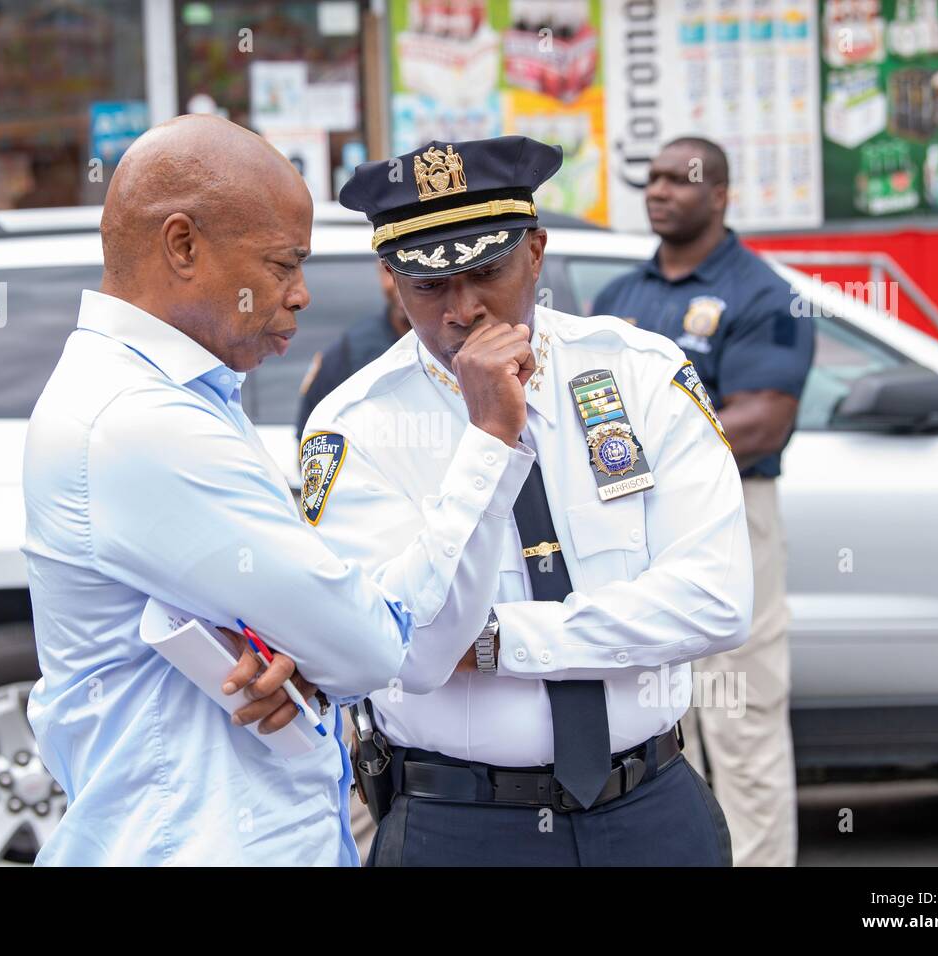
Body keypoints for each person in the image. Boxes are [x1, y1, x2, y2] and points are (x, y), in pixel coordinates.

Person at [21, 115, 534, 865]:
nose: (299, 295)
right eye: (283, 264)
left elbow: (312, 634)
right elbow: (371, 647)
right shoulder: (141, 421)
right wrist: (488, 439)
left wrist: (301, 651)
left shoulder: (163, 396)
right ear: (183, 244)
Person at [302, 135, 753, 866]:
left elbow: (717, 598)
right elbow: (411, 649)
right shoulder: (356, 424)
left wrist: (497, 644)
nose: (464, 310)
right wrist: (488, 439)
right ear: (390, 278)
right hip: (464, 823)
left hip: (649, 805)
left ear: (536, 253)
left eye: (487, 272)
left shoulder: (638, 372)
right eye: (428, 285)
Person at [590, 136, 815, 867]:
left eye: (677, 180)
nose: (658, 191)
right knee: (655, 720)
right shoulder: (622, 296)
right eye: (650, 179)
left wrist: (636, 449)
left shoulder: (764, 294)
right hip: (628, 520)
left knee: (741, 719)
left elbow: (762, 420)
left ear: (719, 195)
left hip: (727, 512)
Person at [296, 260, 410, 439]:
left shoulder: (461, 346)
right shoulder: (349, 351)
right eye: (390, 270)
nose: (403, 283)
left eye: (412, 269)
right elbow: (311, 439)